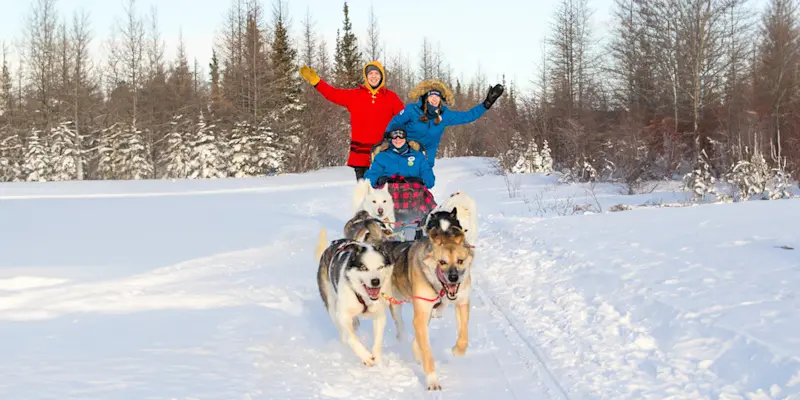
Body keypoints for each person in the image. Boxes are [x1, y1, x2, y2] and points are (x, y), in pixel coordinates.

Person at [298, 61, 405, 180]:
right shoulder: (355, 95)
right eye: (370, 73)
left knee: (384, 194)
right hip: (361, 156)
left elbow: (405, 119)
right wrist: (316, 81)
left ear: (382, 76)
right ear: (366, 76)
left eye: (377, 73)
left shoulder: (391, 97)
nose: (373, 76)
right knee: (364, 193)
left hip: (384, 152)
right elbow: (332, 94)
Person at [384, 79, 504, 168]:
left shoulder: (445, 115)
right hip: (405, 157)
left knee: (419, 196)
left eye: (437, 96)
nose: (435, 99)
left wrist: (486, 104)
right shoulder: (412, 110)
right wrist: (388, 139)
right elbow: (395, 122)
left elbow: (468, 116)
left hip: (425, 163)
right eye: (432, 96)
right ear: (426, 98)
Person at [364, 128, 435, 189]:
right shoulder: (381, 157)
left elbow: (429, 179)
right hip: (387, 197)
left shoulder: (418, 157)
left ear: (406, 137)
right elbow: (370, 178)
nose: (398, 139)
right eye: (394, 135)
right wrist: (379, 180)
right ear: (390, 138)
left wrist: (420, 181)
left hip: (414, 196)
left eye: (401, 135)